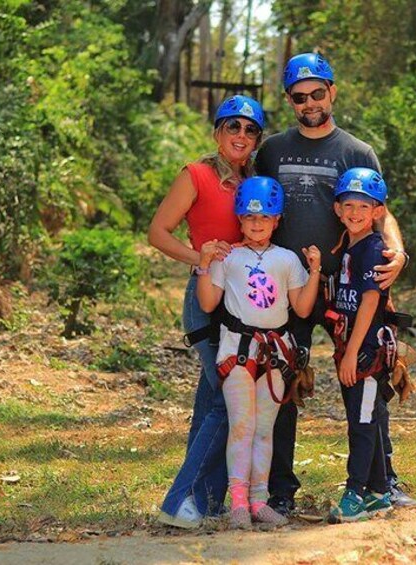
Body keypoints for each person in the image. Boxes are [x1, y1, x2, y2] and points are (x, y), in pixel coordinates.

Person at [254, 52, 416, 515]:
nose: (309, 103)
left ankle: (382, 480)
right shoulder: (272, 150)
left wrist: (398, 253)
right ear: (289, 100)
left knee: (369, 375)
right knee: (281, 382)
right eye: (299, 96)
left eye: (317, 93)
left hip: (348, 283)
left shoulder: (356, 151)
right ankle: (280, 491)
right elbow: (254, 210)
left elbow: (384, 209)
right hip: (290, 285)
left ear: (333, 92)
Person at [148, 95, 265, 528]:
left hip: (246, 306)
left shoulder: (256, 183)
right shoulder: (195, 175)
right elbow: (157, 232)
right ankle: (178, 501)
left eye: (250, 129)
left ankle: (208, 499)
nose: (241, 135)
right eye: (232, 127)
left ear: (257, 139)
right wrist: (198, 257)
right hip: (207, 301)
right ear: (217, 133)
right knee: (225, 402)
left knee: (208, 404)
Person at [196, 176, 321, 528]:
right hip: (238, 349)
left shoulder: (286, 260)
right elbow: (208, 302)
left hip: (276, 353)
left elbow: (301, 307)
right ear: (239, 218)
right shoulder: (228, 257)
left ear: (276, 220)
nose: (256, 223)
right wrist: (205, 264)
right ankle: (237, 502)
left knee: (265, 429)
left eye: (264, 217)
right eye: (250, 217)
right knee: (242, 426)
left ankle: (258, 501)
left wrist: (313, 272)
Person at [326, 167, 397, 522]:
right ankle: (380, 492)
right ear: (338, 209)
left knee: (363, 422)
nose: (355, 212)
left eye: (364, 206)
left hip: (366, 351)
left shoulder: (372, 248)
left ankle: (355, 492)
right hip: (350, 346)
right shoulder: (348, 247)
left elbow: (370, 301)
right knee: (361, 416)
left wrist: (353, 352)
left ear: (378, 211)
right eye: (348, 204)